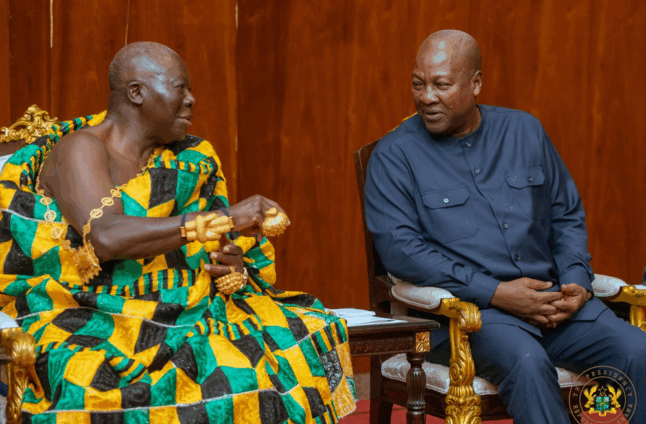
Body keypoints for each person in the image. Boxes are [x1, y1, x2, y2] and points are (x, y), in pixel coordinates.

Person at [0, 42, 356, 422]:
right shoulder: (81, 148)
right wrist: (223, 219)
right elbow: (104, 236)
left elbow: (208, 248)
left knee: (295, 336)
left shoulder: (189, 160)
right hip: (89, 309)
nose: (191, 99)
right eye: (179, 88)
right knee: (90, 376)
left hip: (184, 305)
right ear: (136, 93)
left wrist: (230, 264)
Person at [364, 30, 646, 423]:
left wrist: (576, 281)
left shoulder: (524, 131)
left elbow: (564, 214)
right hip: (472, 318)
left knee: (638, 351)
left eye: (441, 85)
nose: (426, 97)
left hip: (553, 303)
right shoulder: (394, 155)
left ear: (476, 84)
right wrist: (496, 293)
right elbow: (402, 251)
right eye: (418, 84)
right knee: (528, 363)